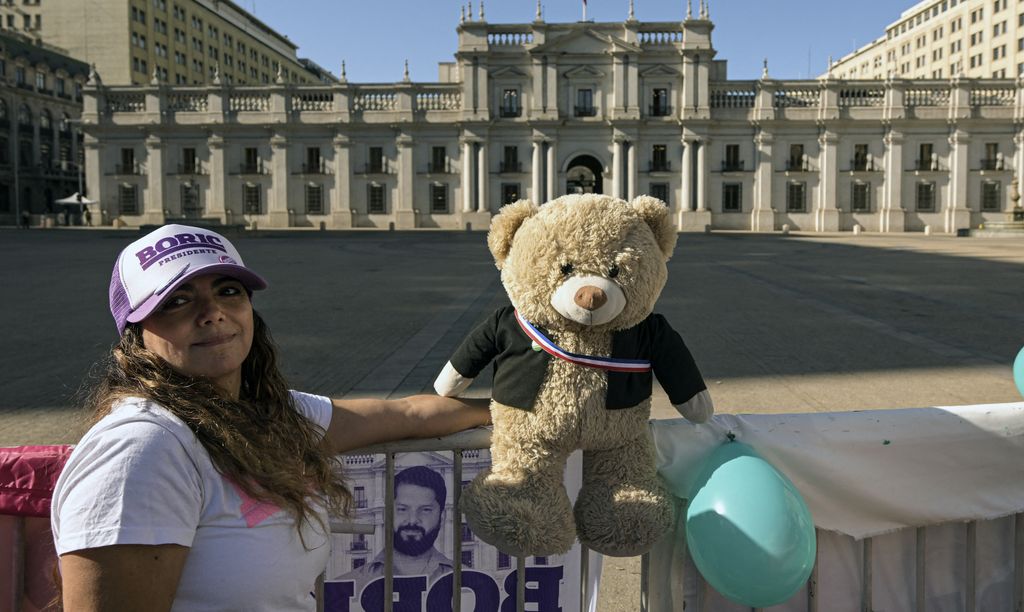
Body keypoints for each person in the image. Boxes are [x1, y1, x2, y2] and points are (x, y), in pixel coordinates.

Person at [50, 224, 490, 612]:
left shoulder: (272, 416)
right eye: (177, 301)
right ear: (135, 333)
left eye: (228, 291)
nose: (212, 312)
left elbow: (408, 413)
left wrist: (526, 416)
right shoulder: (141, 451)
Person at [336, 465, 454, 592]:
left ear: (442, 516)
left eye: (425, 510)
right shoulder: (343, 588)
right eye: (402, 509)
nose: (412, 520)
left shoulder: (468, 579)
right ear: (387, 513)